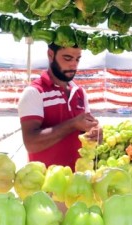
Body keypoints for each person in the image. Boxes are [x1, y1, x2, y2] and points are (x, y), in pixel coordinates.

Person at [18, 42, 102, 172]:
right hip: (45, 186)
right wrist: (72, 124)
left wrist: (94, 132)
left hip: (78, 184)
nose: (73, 64)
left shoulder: (80, 92)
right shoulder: (34, 92)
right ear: (51, 55)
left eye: (77, 59)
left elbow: (85, 130)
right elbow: (31, 143)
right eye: (67, 58)